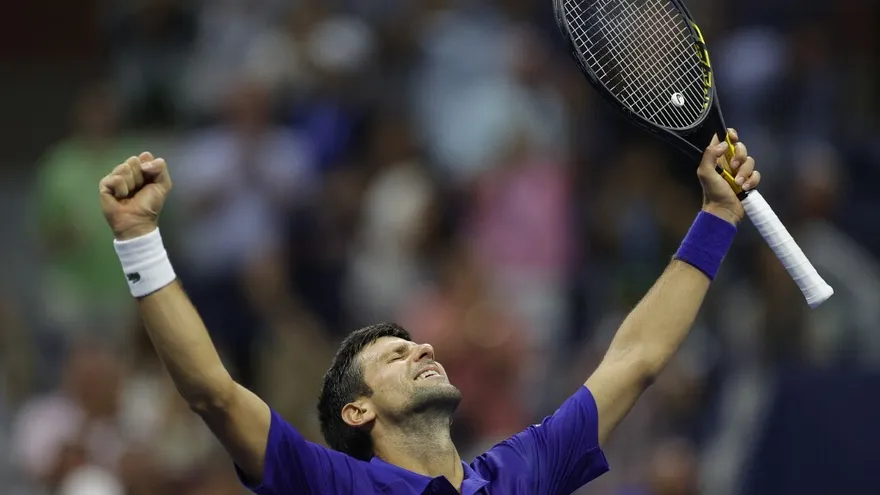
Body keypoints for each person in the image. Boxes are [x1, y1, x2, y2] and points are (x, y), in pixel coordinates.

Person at [97, 129, 761, 495]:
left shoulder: (520, 471)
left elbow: (636, 358)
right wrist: (139, 240)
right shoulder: (328, 482)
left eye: (414, 345)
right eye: (394, 355)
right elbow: (212, 393)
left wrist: (717, 216)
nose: (422, 349)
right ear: (358, 410)